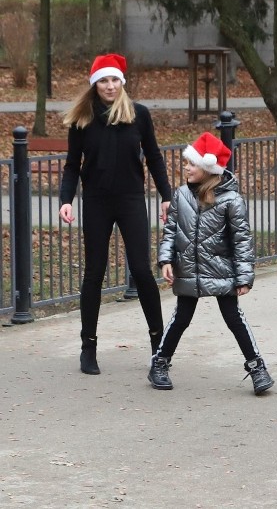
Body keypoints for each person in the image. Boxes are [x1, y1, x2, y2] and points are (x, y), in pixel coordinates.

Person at [59, 53, 172, 376]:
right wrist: (66, 199)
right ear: (95, 85)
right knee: (94, 271)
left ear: (122, 82)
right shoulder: (83, 119)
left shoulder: (139, 115)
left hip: (131, 199)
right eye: (104, 81)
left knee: (141, 270)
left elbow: (154, 157)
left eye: (114, 80)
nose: (110, 86)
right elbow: (71, 165)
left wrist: (166, 196)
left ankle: (159, 346)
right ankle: (88, 347)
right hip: (96, 201)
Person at [151, 132, 274, 395]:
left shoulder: (231, 200)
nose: (186, 167)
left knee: (234, 318)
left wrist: (244, 276)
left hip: (220, 269)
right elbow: (170, 230)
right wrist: (166, 259)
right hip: (188, 267)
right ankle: (159, 363)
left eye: (192, 163)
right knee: (181, 318)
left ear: (208, 169)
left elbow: (242, 240)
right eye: (186, 162)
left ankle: (257, 368)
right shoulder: (181, 195)